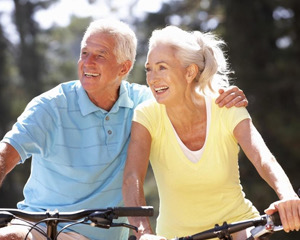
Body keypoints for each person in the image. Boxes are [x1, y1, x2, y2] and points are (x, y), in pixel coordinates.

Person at [0, 19, 248, 240]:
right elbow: (4, 156)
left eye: (100, 55)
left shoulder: (147, 104)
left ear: (123, 68)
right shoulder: (50, 106)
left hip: (98, 234)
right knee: (9, 235)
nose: (87, 62)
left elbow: (186, 96)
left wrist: (219, 95)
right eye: (84, 53)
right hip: (40, 227)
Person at [122, 25, 300, 240]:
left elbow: (263, 158)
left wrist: (288, 195)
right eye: (149, 69)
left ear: (190, 72)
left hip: (237, 227)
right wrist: (144, 233)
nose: (152, 78)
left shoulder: (226, 106)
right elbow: (133, 177)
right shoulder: (147, 116)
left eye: (162, 67)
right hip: (175, 236)